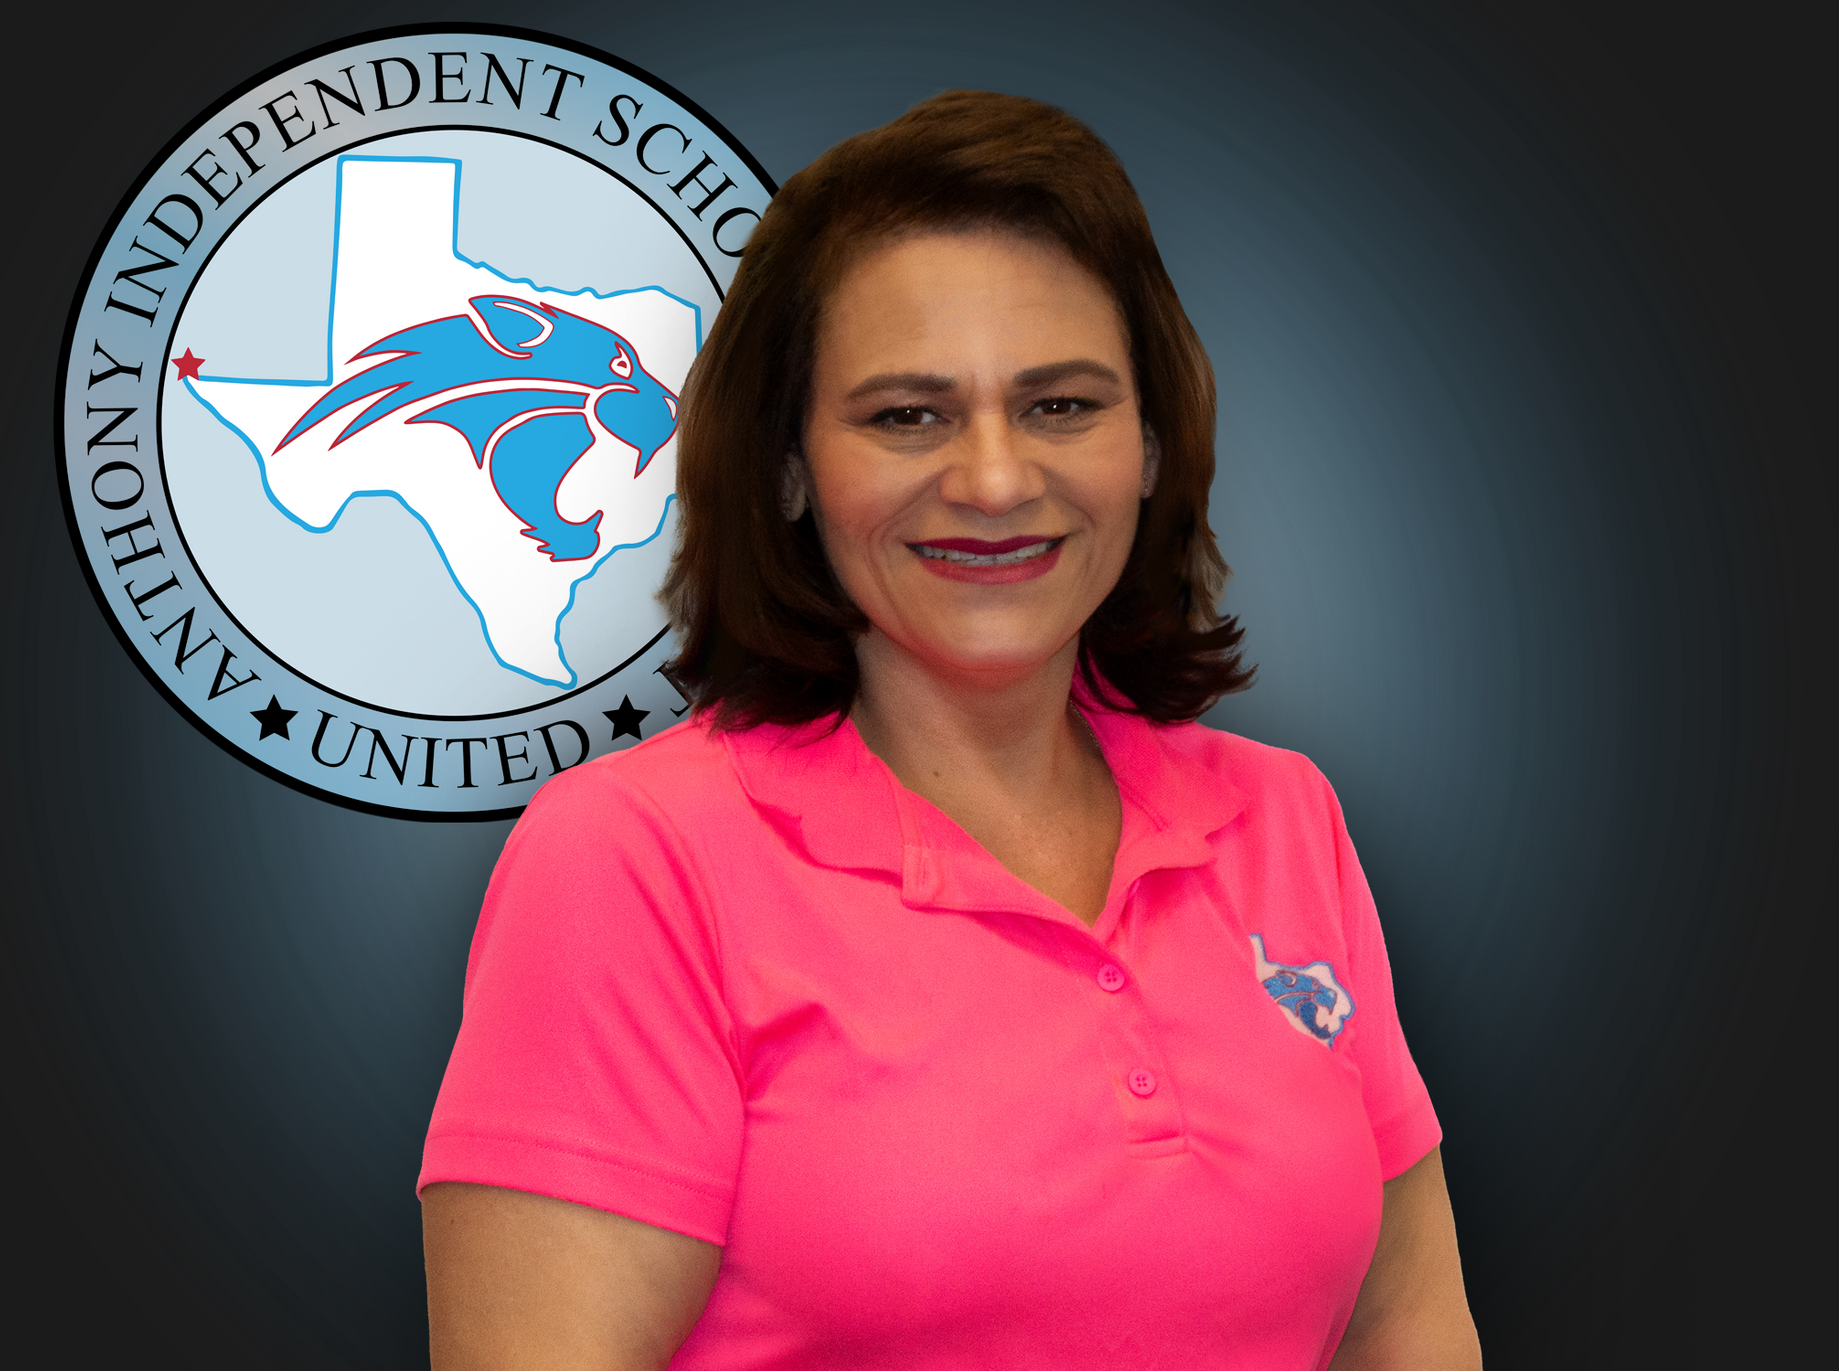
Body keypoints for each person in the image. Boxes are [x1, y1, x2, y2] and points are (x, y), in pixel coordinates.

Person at [419, 90, 1479, 1370]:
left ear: (1150, 445)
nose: (991, 480)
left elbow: (1409, 1326)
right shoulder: (632, 860)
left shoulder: (1284, 818)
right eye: (906, 415)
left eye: (1061, 406)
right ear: (791, 469)